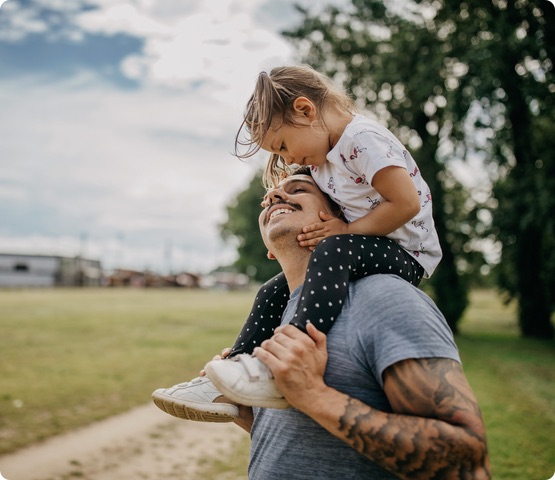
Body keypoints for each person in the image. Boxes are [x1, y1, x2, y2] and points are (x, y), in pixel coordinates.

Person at [152, 64, 442, 415]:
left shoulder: (363, 140)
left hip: (406, 251)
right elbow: (301, 193)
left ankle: (287, 358)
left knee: (334, 248)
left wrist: (347, 232)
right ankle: (233, 375)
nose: (287, 159)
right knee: (271, 290)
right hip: (368, 246)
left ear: (305, 110)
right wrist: (276, 200)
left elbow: (406, 203)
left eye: (283, 145)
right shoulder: (324, 157)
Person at [210, 169, 490, 479]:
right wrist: (250, 412)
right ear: (269, 251)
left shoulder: (386, 298)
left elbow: (467, 462)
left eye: (299, 189)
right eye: (269, 198)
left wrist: (316, 395)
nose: (275, 196)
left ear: (339, 216)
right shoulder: (278, 313)